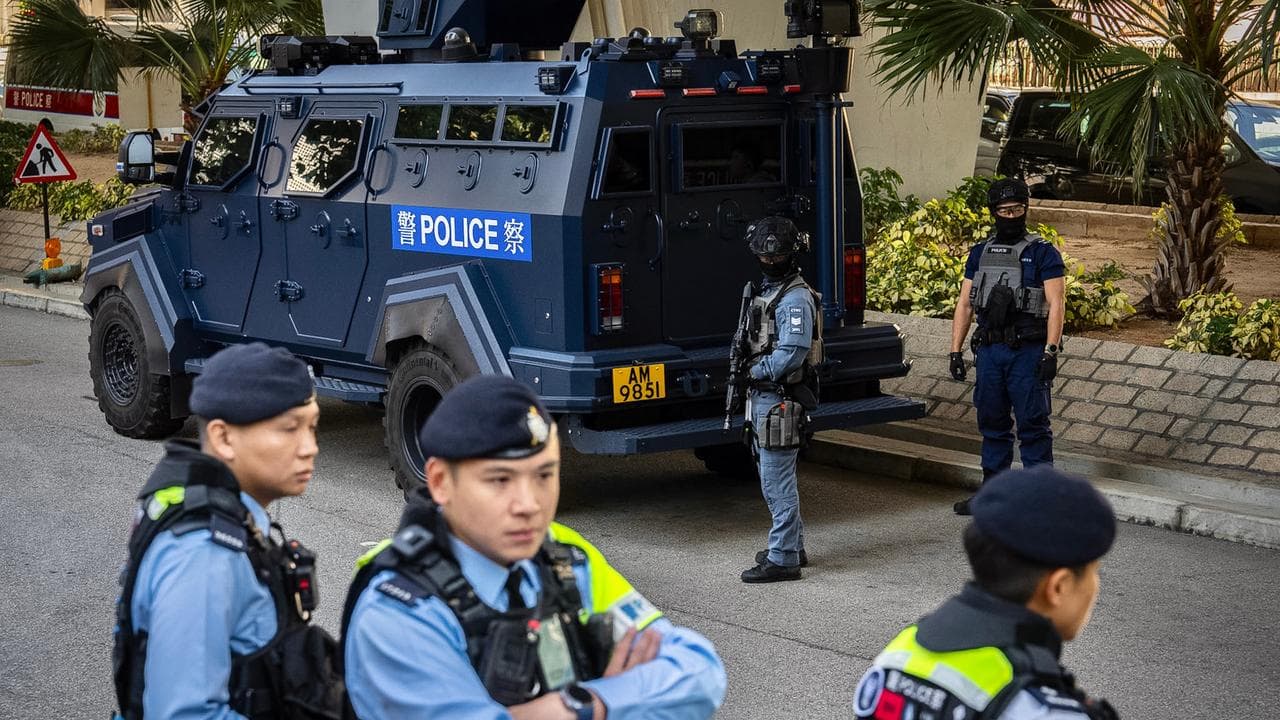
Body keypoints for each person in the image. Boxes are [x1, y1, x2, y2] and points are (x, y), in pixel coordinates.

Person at [342, 374, 726, 719]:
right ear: (441, 482)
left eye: (544, 476)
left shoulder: (561, 558)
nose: (528, 505)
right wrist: (628, 700)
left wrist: (585, 705)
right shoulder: (399, 612)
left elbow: (699, 671)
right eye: (500, 480)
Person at [111, 342, 343, 719]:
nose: (310, 447)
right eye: (290, 429)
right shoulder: (202, 554)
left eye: (313, 427)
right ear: (223, 438)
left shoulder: (228, 517)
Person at [852, 466, 1120, 720]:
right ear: (1058, 587)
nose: (1095, 585)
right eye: (1094, 572)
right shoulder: (1044, 709)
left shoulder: (897, 656)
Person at [949, 178, 1066, 515]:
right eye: (1005, 210)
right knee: (992, 423)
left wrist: (1051, 351)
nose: (1012, 216)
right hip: (990, 351)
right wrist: (955, 351)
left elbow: (1057, 303)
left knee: (1033, 423)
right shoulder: (980, 252)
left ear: (1026, 209)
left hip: (1026, 351)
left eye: (1017, 209)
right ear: (994, 212)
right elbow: (965, 304)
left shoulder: (1042, 252)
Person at [738, 216, 822, 583]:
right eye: (764, 256)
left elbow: (792, 352)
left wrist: (754, 371)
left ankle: (783, 558)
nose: (770, 261)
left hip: (779, 397)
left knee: (776, 480)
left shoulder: (794, 299)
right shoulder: (774, 291)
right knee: (772, 474)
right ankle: (792, 546)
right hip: (767, 396)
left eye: (777, 256)